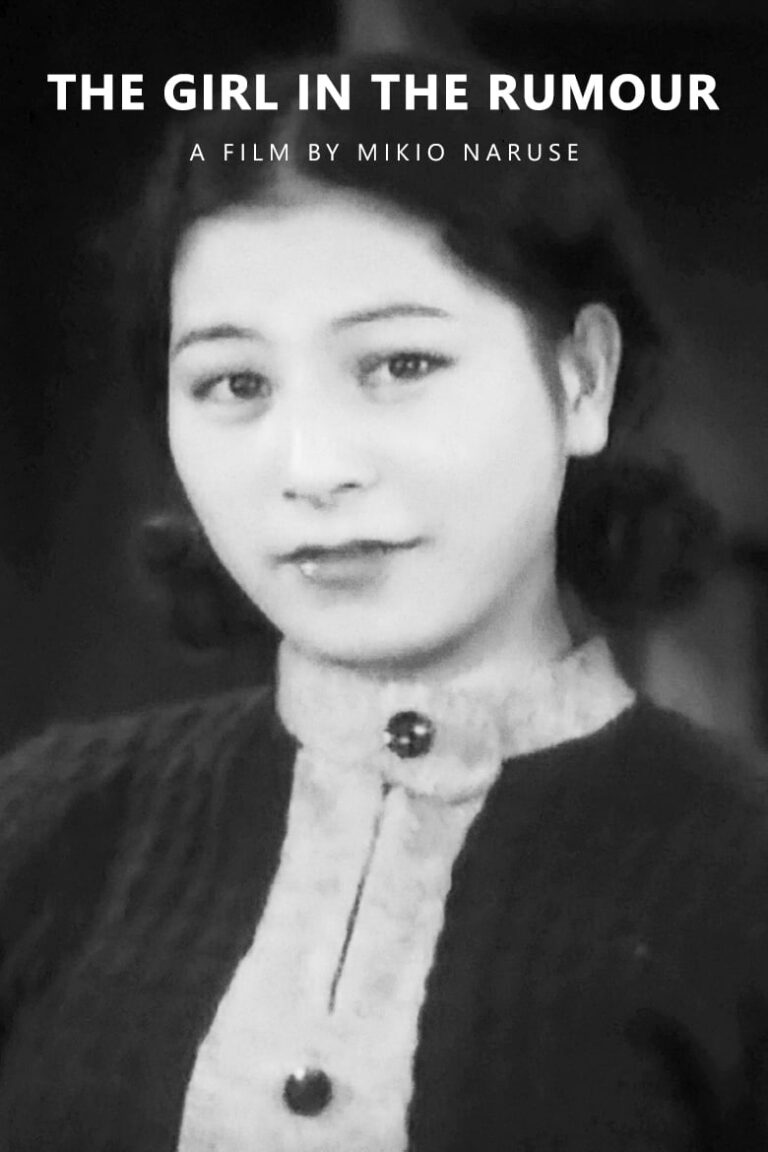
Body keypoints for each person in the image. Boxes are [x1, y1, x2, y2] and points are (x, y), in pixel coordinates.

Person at [1, 52, 767, 1152]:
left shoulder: (741, 871)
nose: (311, 466)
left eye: (400, 364)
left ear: (582, 378)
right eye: (234, 383)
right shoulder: (42, 827)